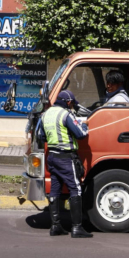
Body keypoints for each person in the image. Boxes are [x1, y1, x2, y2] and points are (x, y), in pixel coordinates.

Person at [40, 90, 93, 238]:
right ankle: (77, 228)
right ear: (68, 102)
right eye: (72, 104)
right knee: (75, 189)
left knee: (55, 190)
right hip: (66, 157)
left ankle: (55, 226)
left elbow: (42, 136)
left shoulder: (46, 114)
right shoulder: (66, 114)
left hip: (52, 157)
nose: (72, 107)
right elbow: (81, 134)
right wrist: (85, 125)